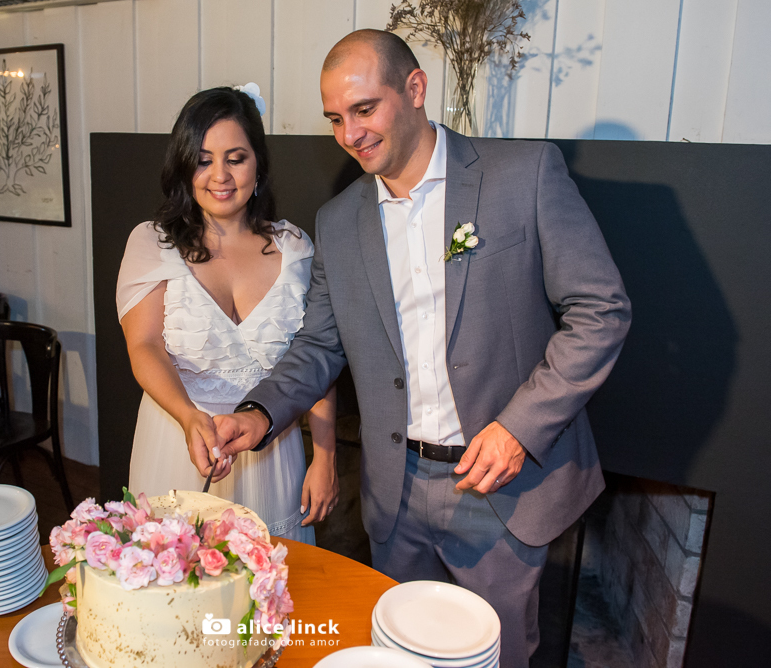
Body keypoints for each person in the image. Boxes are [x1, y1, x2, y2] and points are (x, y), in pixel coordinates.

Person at [213, 30, 631, 666]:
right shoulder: (338, 221)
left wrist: (519, 429)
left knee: (496, 656)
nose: (350, 134)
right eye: (334, 119)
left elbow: (601, 312)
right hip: (395, 492)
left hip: (500, 488)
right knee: (401, 652)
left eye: (363, 109)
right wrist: (259, 412)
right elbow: (320, 343)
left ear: (415, 89)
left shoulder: (523, 174)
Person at [116, 85, 339, 545]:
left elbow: (317, 358)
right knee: (174, 573)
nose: (220, 175)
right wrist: (188, 416)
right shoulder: (152, 243)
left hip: (270, 453)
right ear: (185, 166)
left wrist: (325, 456)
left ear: (258, 163)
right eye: (203, 160)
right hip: (178, 439)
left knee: (266, 581)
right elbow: (144, 346)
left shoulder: (295, 249)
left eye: (235, 158)